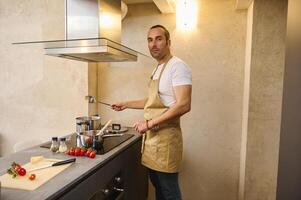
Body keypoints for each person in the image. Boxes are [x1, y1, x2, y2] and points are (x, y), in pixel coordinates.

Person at [112, 24, 192, 200]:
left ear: (168, 42)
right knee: (159, 190)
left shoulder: (178, 66)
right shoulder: (157, 69)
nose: (153, 44)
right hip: (152, 141)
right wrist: (126, 104)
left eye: (159, 39)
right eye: (150, 40)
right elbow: (152, 102)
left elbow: (184, 105)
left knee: (169, 192)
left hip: (166, 141)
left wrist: (148, 124)